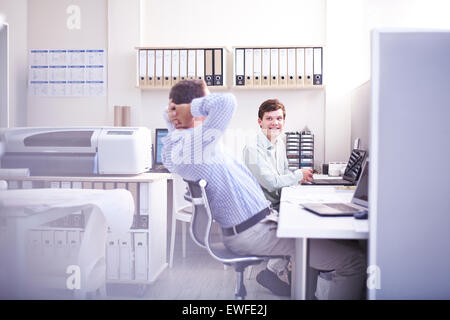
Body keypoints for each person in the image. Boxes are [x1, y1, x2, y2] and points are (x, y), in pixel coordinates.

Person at [162, 80, 366, 299]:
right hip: (252, 232)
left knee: (326, 237)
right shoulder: (195, 146)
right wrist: (188, 109)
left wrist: (173, 116)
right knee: (354, 261)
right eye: (204, 102)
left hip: (259, 224)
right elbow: (226, 102)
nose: (207, 108)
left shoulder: (187, 145)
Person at [242, 99, 313, 212]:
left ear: (284, 121)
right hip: (263, 210)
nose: (275, 123)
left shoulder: (279, 142)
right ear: (260, 121)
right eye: (269, 118)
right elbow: (271, 183)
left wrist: (297, 181)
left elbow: (285, 171)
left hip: (281, 203)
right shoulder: (252, 149)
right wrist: (299, 175)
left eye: (279, 118)